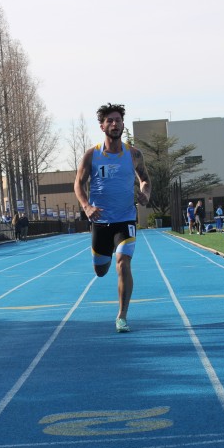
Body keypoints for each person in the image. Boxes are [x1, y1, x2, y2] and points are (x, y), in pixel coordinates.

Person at [74, 102, 151, 333]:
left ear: (123, 124)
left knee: (123, 262)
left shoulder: (134, 154)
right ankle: (102, 257)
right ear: (102, 126)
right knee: (101, 271)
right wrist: (86, 206)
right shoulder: (92, 155)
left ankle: (122, 316)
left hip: (125, 219)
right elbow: (78, 184)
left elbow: (145, 179)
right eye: (110, 121)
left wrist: (145, 193)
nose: (114, 124)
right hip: (100, 221)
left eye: (118, 120)